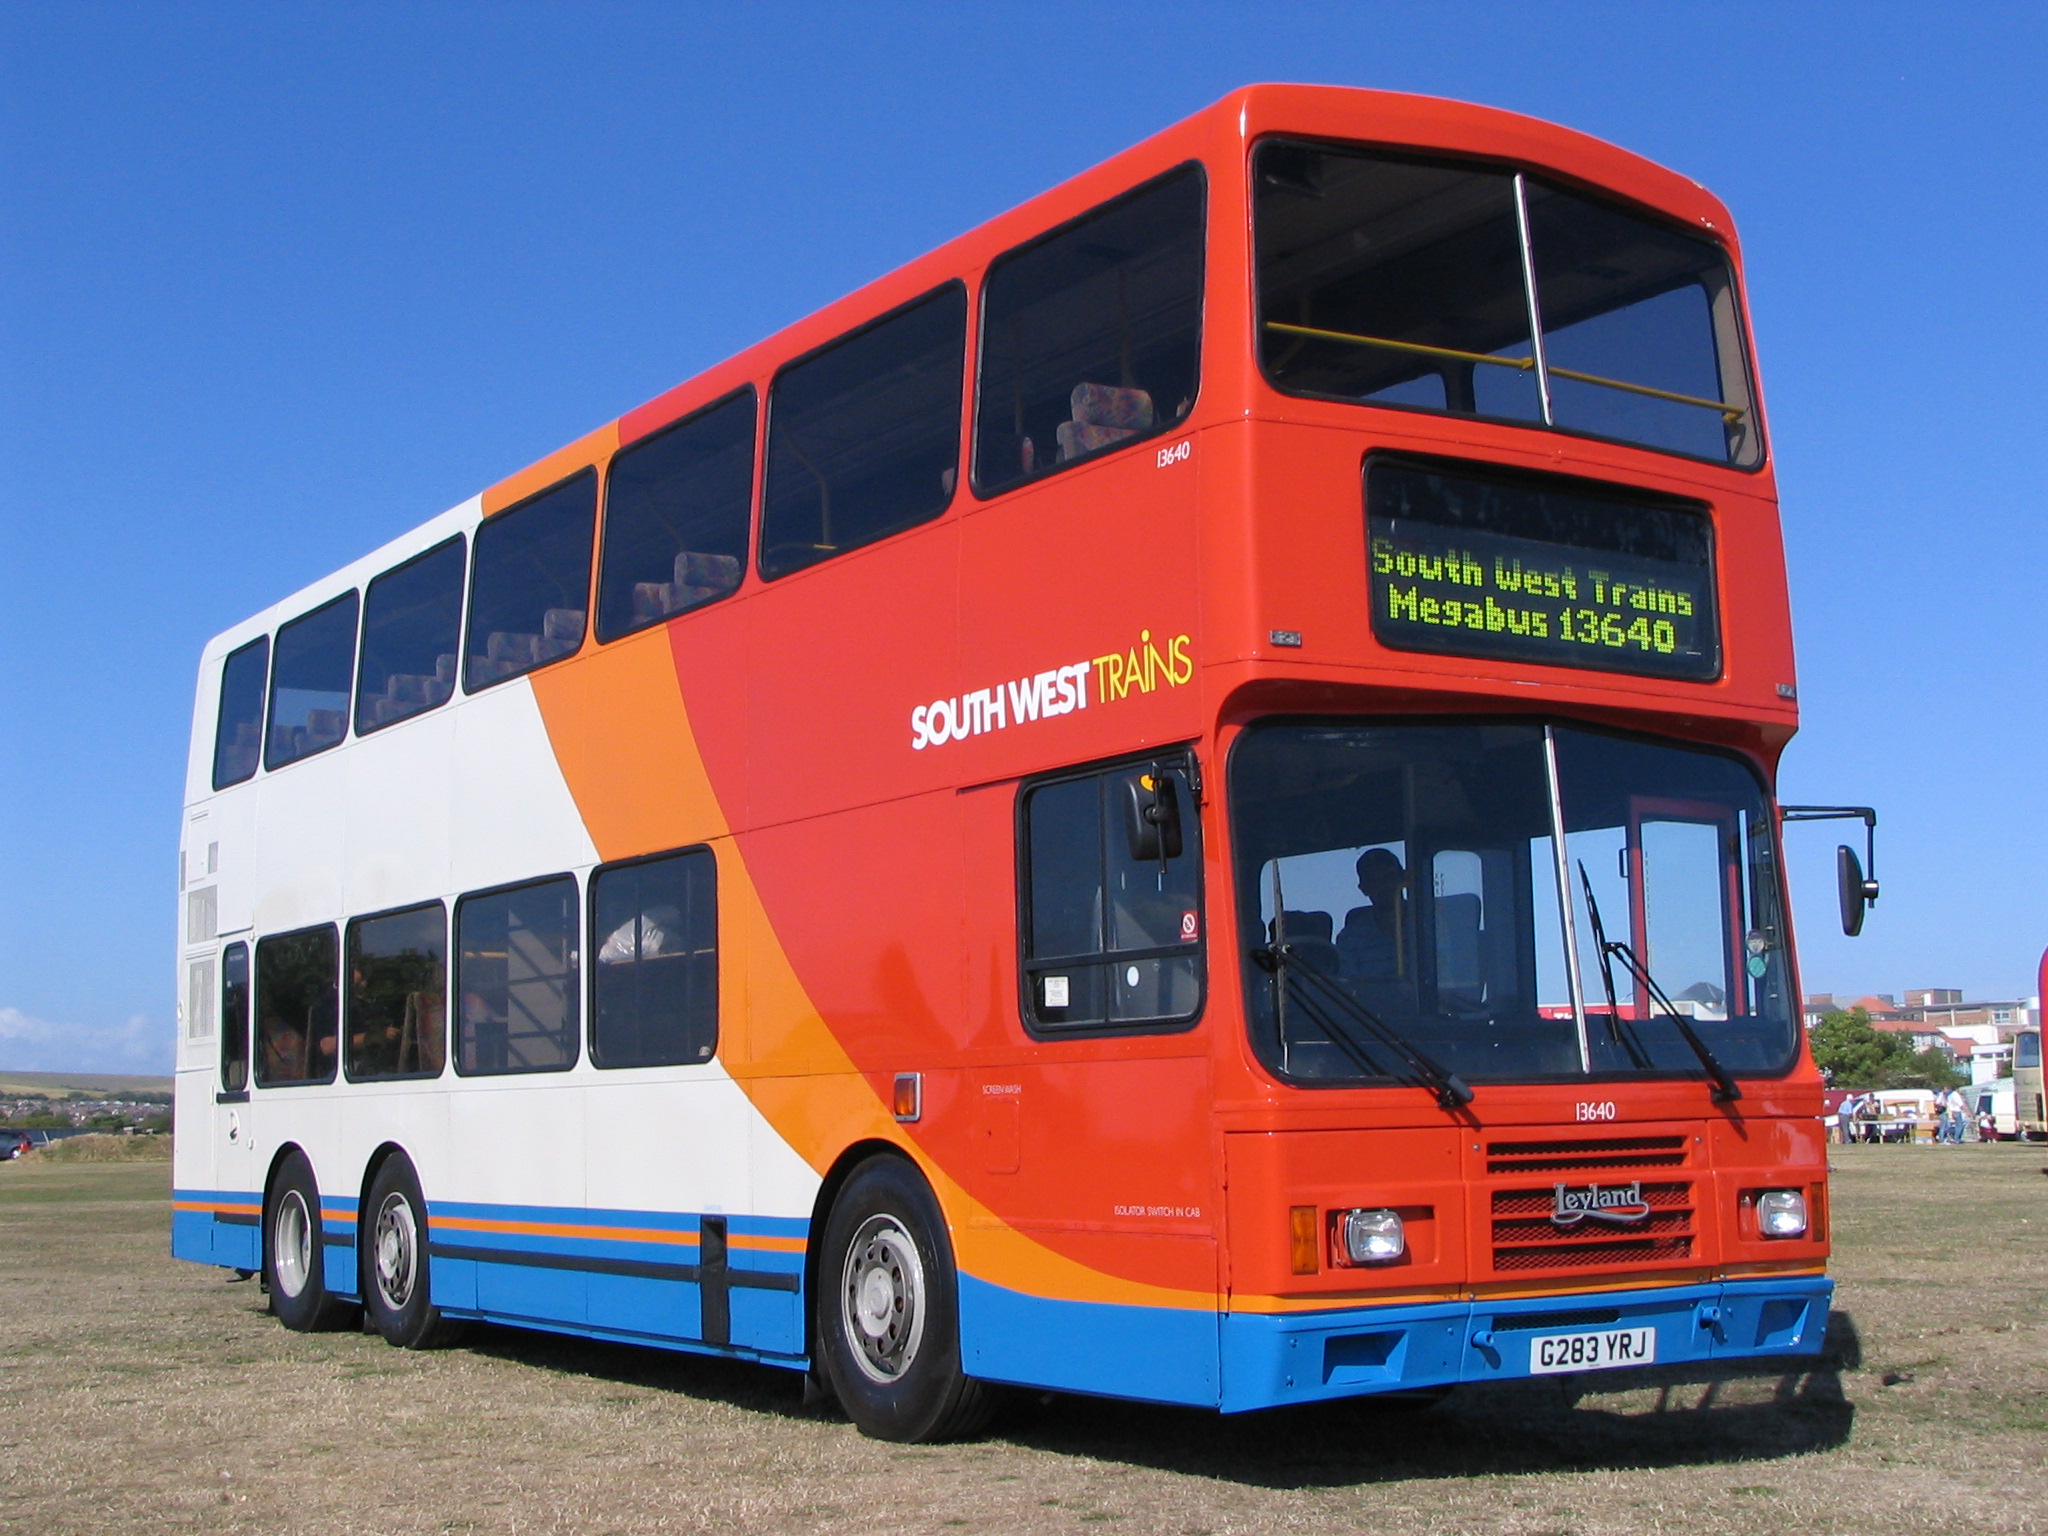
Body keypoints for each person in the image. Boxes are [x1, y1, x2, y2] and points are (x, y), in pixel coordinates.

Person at [1337, 848, 1409, 981]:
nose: (1383, 886)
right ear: (1363, 888)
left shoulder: (1431, 923)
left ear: (1404, 878)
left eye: (1389, 877)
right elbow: (1351, 991)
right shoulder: (1350, 938)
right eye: (1373, 880)